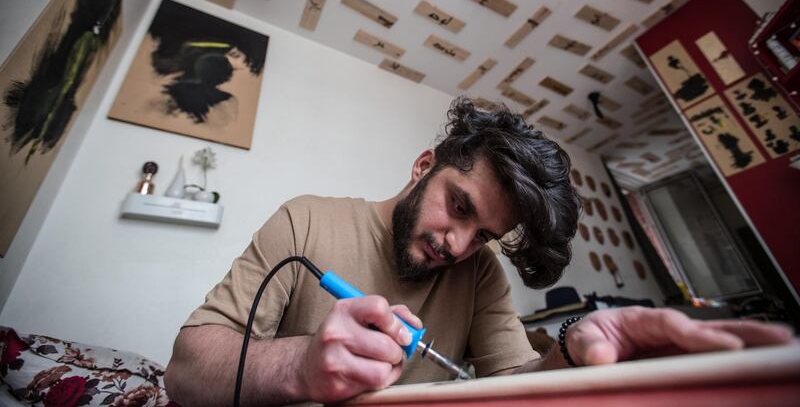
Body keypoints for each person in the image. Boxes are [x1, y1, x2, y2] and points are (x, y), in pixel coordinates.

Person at [164, 98, 793, 406]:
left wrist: (574, 351)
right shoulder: (305, 221)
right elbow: (187, 371)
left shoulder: (482, 276)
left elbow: (515, 385)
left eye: (484, 235)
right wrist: (302, 365)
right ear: (422, 166)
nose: (459, 246)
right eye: (460, 207)